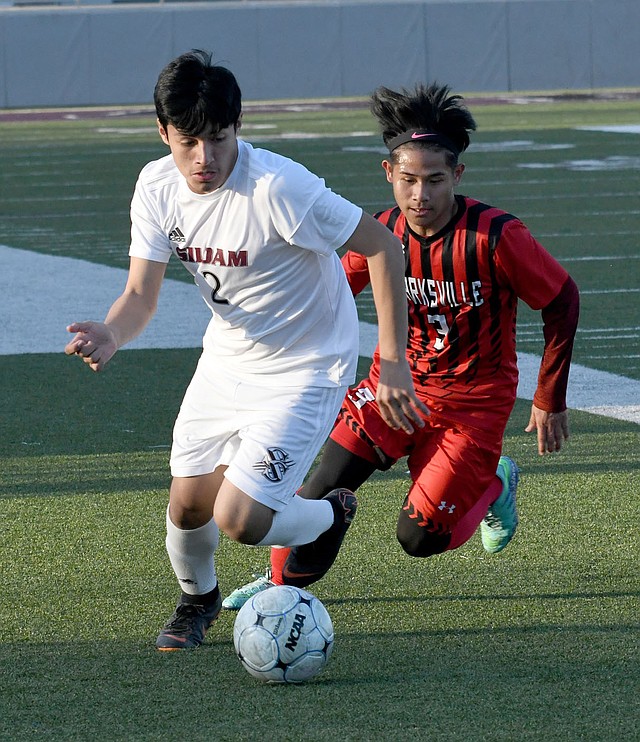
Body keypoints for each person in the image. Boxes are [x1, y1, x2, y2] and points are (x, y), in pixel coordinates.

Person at [64, 50, 427, 651]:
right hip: (229, 358)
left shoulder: (279, 187)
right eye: (188, 142)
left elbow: (386, 246)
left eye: (218, 138)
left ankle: (331, 515)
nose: (204, 158)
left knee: (240, 519)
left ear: (239, 128)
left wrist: (391, 363)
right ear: (163, 134)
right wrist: (111, 332)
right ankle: (198, 600)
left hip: (308, 364)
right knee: (187, 506)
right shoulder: (156, 188)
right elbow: (139, 293)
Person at [222, 81, 580, 609]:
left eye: (435, 180)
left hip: (471, 408)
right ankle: (279, 590)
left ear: (457, 175)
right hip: (393, 389)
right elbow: (327, 294)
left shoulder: (497, 237)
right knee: (320, 482)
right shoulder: (380, 233)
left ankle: (494, 487)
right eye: (408, 180)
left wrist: (549, 397)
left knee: (417, 539)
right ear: (388, 173)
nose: (421, 196)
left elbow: (562, 300)